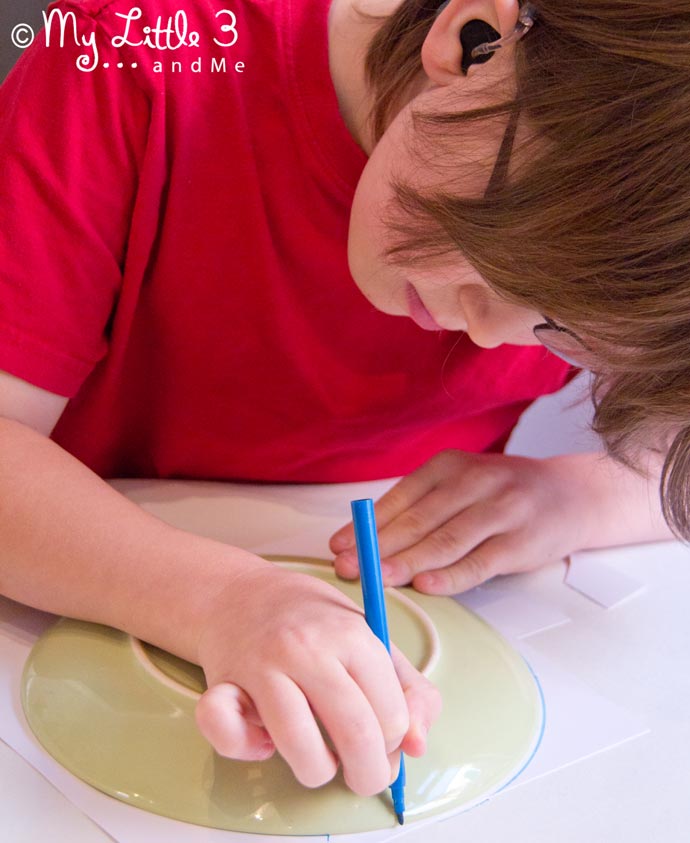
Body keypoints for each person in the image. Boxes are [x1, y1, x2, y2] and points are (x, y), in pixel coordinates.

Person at [0, 0, 681, 798]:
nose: (488, 332)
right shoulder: (140, 51)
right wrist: (222, 600)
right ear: (474, 40)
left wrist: (590, 493)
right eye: (507, 254)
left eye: (560, 329)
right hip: (83, 604)